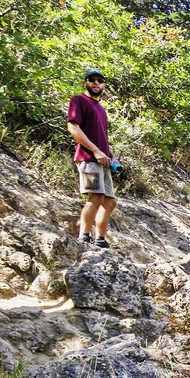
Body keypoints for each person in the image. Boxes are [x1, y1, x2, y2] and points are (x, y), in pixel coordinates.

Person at [67, 69, 118, 249]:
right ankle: (84, 237)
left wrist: (112, 156)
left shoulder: (101, 109)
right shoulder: (79, 100)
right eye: (92, 80)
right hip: (89, 158)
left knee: (110, 201)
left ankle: (101, 240)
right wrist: (96, 151)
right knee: (95, 196)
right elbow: (73, 128)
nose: (96, 83)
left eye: (100, 81)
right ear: (85, 83)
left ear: (104, 85)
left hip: (104, 160)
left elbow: (102, 136)